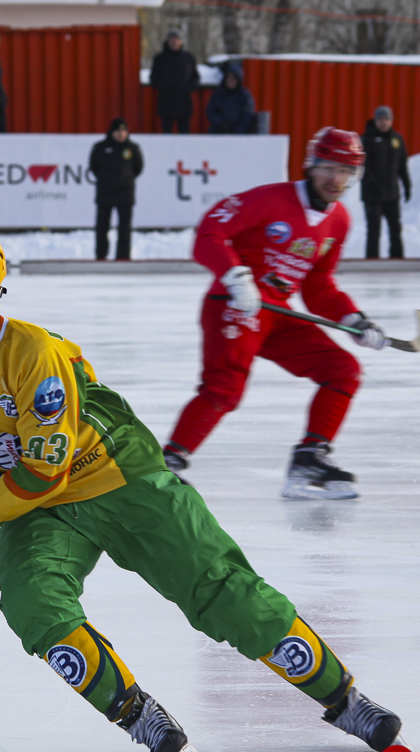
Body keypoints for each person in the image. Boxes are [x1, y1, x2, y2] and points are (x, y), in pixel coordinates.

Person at [0, 222, 405, 752]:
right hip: (33, 506)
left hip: (117, 478)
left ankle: (344, 698)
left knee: (222, 594)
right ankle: (140, 715)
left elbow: (45, 470)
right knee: (33, 604)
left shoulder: (31, 353)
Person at [162, 127, 391, 499]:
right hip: (235, 304)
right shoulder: (271, 199)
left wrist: (354, 320)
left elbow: (318, 286)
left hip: (277, 313)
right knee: (225, 389)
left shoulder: (339, 221)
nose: (336, 179)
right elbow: (209, 233)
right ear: (311, 165)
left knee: (342, 370)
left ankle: (309, 457)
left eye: (346, 171)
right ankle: (166, 464)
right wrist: (236, 278)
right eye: (330, 168)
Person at [360, 106, 411, 259]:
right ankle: (372, 259)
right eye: (381, 120)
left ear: (391, 121)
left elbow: (402, 166)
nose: (384, 123)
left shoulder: (397, 140)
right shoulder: (365, 140)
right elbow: (362, 166)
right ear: (376, 121)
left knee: (395, 228)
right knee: (374, 229)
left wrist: (407, 186)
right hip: (372, 195)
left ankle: (397, 258)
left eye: (387, 120)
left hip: (391, 194)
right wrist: (371, 183)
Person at [89, 118, 143, 261]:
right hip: (105, 192)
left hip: (125, 193)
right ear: (112, 132)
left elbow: (138, 168)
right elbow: (94, 167)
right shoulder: (100, 147)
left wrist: (125, 179)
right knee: (102, 227)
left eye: (123, 131)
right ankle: (101, 255)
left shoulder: (132, 148)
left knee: (124, 228)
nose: (120, 134)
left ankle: (123, 256)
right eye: (118, 131)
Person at [149, 29, 199, 134]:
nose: (174, 42)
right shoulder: (160, 58)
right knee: (166, 133)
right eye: (171, 39)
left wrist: (188, 88)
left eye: (176, 39)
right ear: (167, 41)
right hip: (166, 102)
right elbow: (153, 79)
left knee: (184, 133)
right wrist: (164, 88)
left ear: (180, 41)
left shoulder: (188, 58)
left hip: (184, 102)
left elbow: (195, 78)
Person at [205, 63, 257, 135]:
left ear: (238, 80)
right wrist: (221, 123)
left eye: (233, 78)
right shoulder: (218, 94)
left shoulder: (244, 95)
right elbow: (211, 110)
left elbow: (247, 115)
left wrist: (238, 131)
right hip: (219, 131)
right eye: (228, 78)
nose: (231, 80)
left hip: (241, 134)